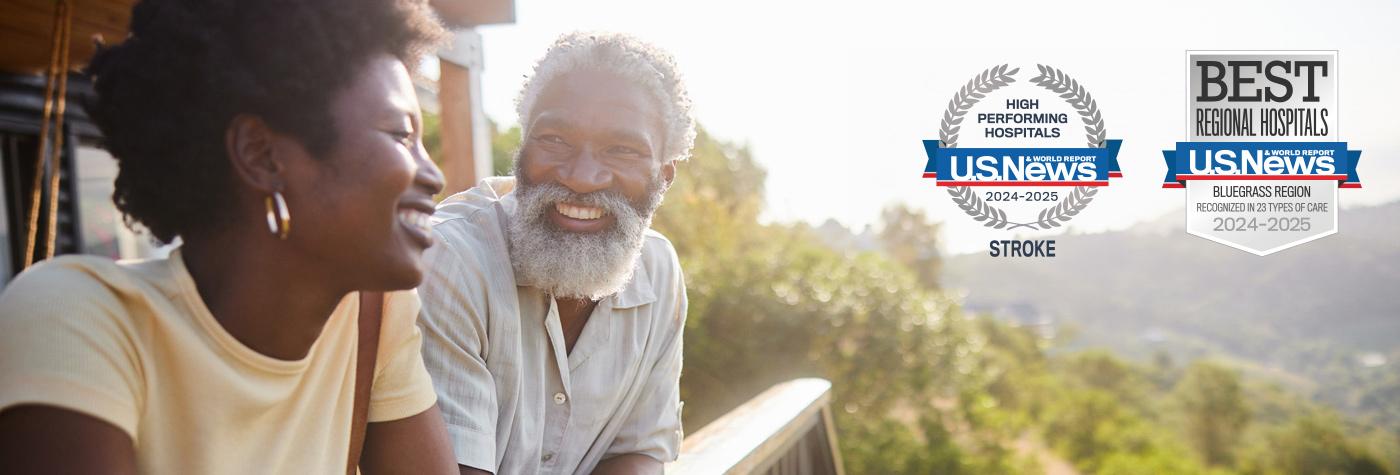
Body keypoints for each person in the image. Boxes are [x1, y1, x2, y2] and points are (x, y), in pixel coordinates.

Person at [0, 0, 459, 473]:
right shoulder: (78, 319)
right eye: (401, 135)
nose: (433, 176)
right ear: (261, 155)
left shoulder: (375, 318)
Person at [417, 32, 695, 474]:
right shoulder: (448, 260)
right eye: (556, 140)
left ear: (663, 177)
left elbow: (637, 452)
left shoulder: (658, 272)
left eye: (621, 149)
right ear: (523, 148)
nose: (583, 177)